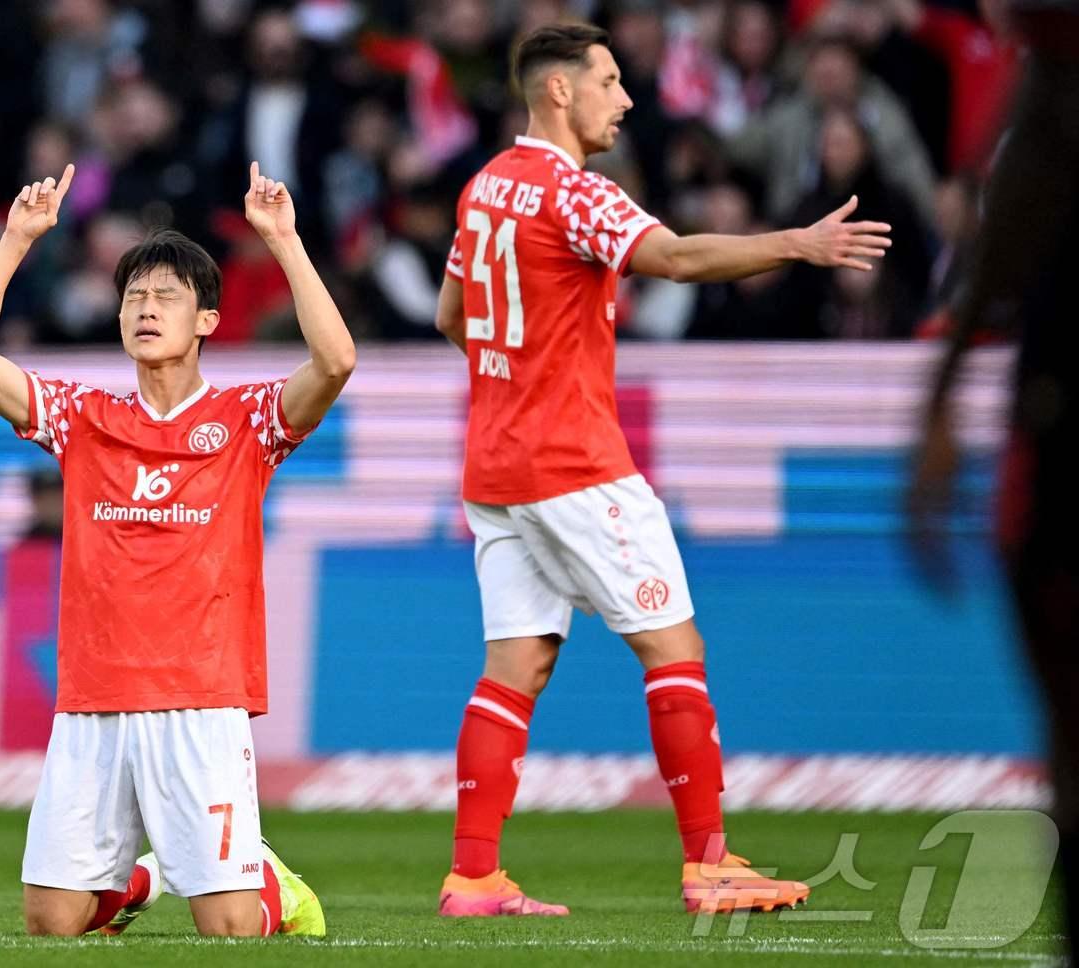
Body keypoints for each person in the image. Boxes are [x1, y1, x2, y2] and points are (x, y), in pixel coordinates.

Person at [434, 23, 892, 917]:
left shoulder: (483, 186)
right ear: (560, 92)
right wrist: (796, 244)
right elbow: (676, 257)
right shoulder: (572, 191)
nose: (627, 98)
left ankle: (474, 875)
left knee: (514, 667)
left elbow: (456, 313)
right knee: (673, 648)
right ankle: (711, 864)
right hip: (575, 462)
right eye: (609, 81)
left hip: (494, 469)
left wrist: (522, 366)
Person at [0, 160, 354, 938]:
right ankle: (139, 879)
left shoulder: (246, 422)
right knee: (51, 924)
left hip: (200, 695)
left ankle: (266, 878)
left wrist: (287, 244)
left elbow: (334, 363)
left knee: (229, 930)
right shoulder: (85, 418)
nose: (147, 308)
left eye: (167, 296)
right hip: (93, 694)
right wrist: (15, 241)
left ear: (206, 321)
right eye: (134, 296)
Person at [908, 0, 1079, 952]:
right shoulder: (1043, 100)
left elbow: (1004, 241)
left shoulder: (1046, 100)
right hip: (1049, 439)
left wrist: (940, 396)